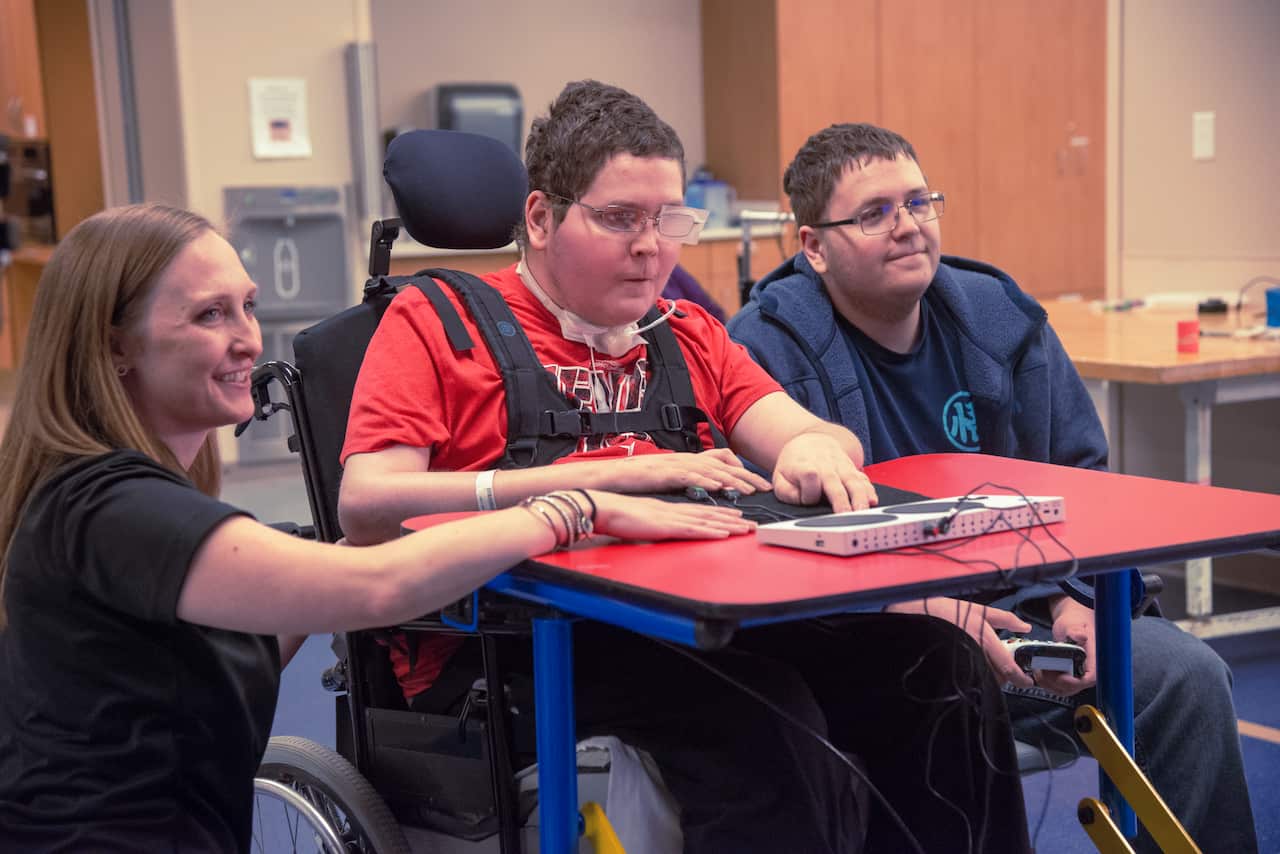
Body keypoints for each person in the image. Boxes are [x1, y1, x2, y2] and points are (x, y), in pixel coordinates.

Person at [340, 79, 1036, 853]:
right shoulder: (436, 322)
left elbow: (809, 435)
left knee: (936, 667)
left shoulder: (686, 331)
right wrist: (596, 484)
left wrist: (812, 449)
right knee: (760, 718)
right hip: (503, 647)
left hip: (685, 624)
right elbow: (368, 504)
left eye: (667, 220)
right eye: (619, 220)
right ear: (540, 218)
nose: (651, 247)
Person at [0, 203, 754, 853]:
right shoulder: (109, 506)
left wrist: (347, 553)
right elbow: (373, 589)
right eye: (208, 315)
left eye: (248, 307)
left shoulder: (122, 505)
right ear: (113, 345)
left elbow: (242, 642)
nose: (248, 341)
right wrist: (574, 506)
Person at [727, 122, 1258, 854]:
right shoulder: (765, 349)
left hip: (1029, 622)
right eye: (875, 213)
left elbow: (1084, 480)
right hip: (883, 641)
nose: (908, 226)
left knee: (1186, 677)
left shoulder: (1000, 323)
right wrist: (922, 607)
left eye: (919, 202)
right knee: (936, 687)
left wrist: (1074, 600)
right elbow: (761, 542)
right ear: (813, 246)